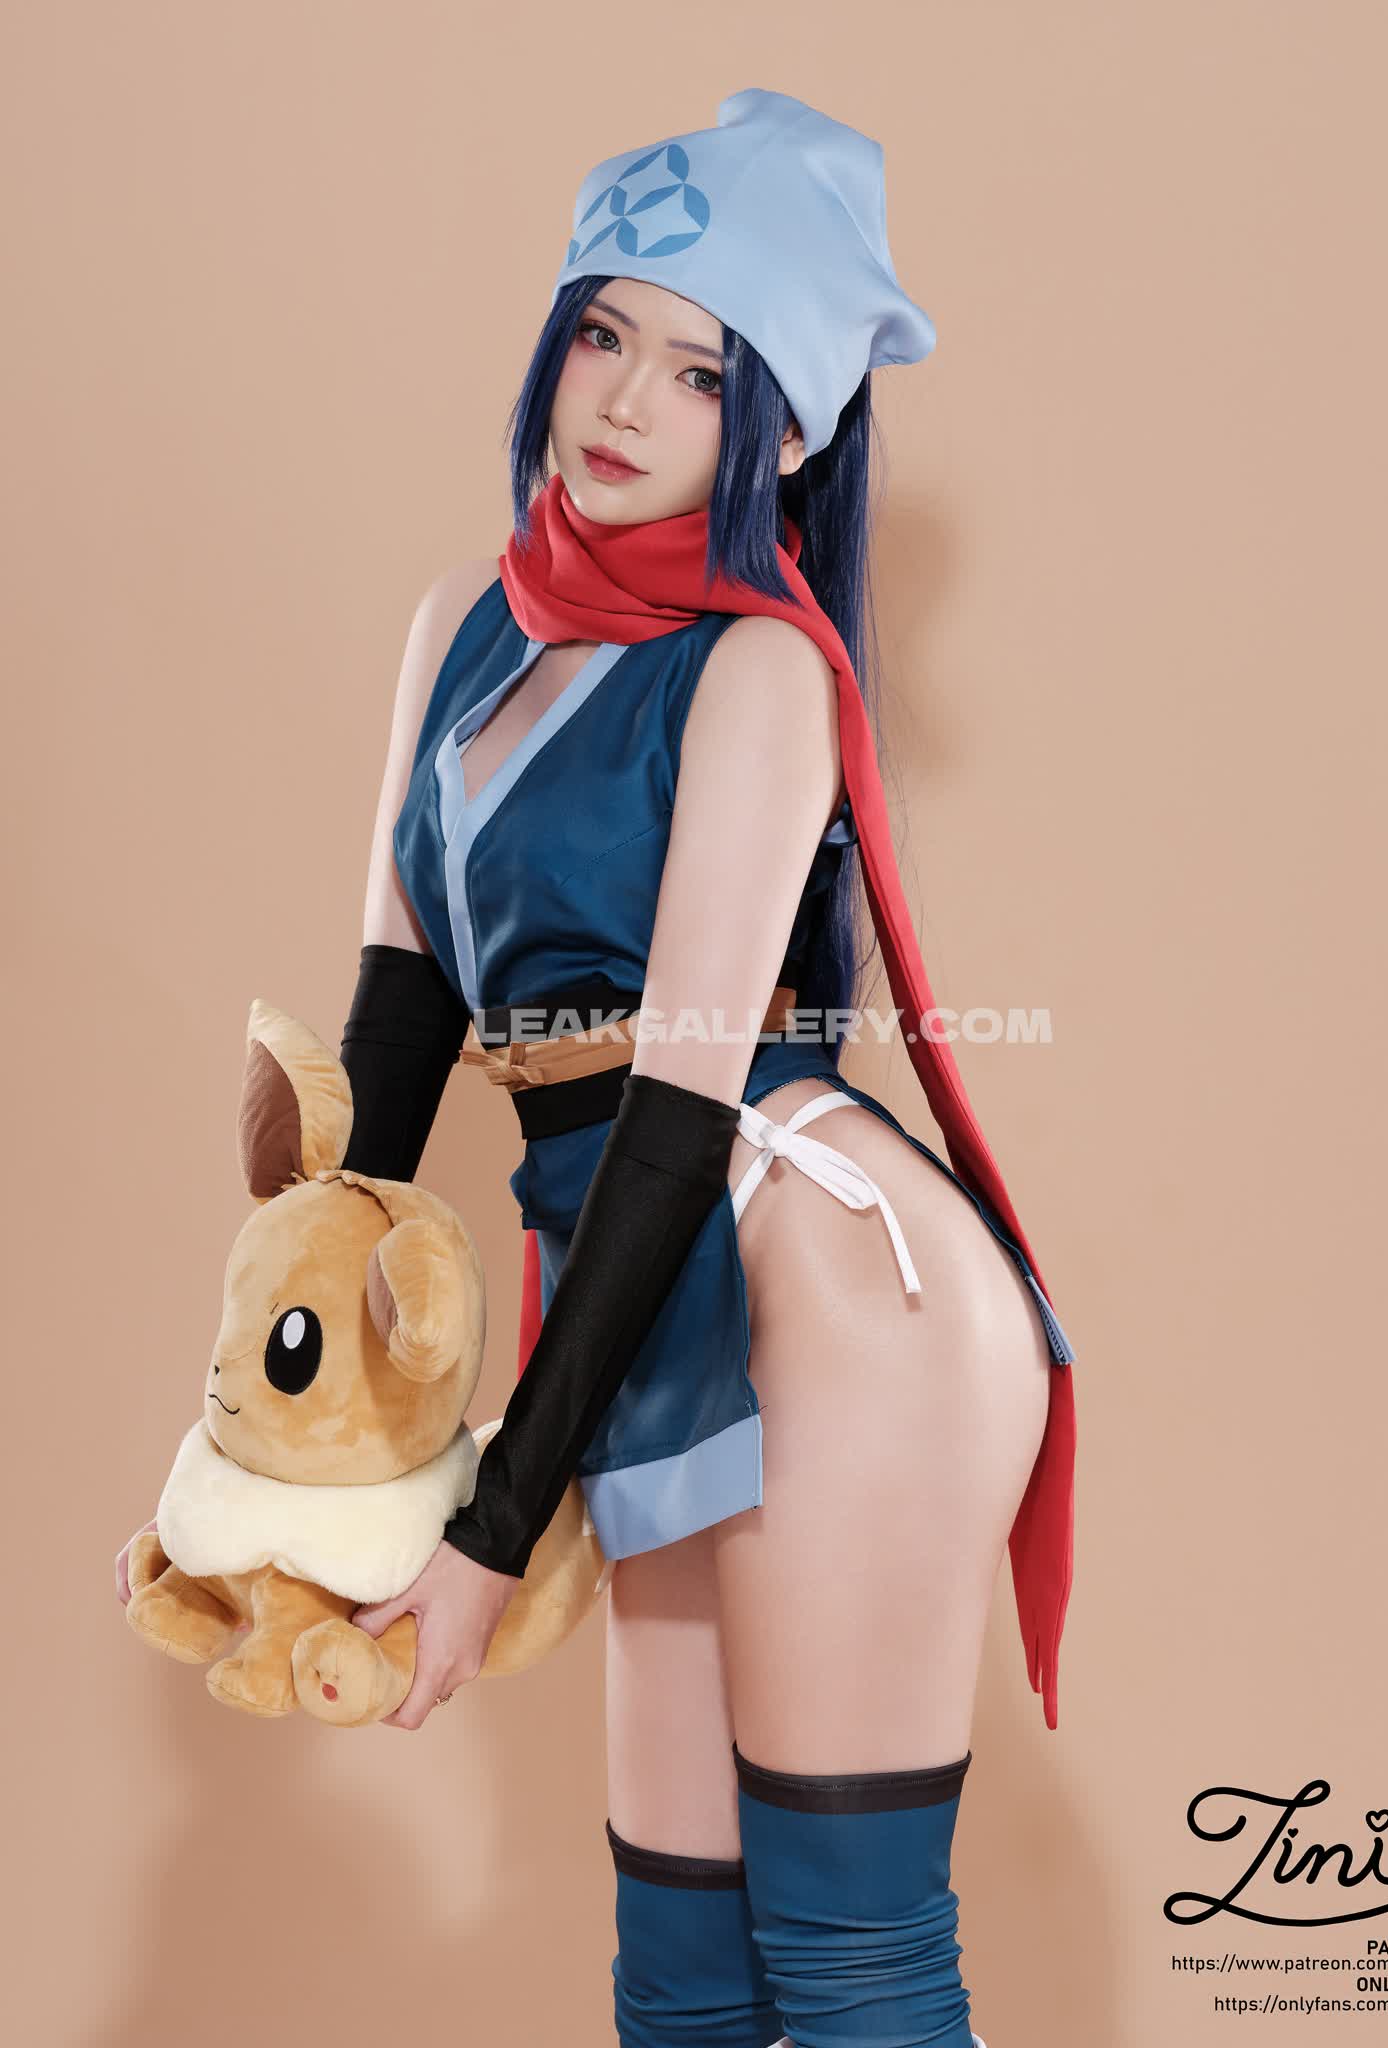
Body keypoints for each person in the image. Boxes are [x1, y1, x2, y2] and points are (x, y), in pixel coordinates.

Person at [118, 87, 1078, 2048]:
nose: (627, 398)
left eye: (704, 372)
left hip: (821, 1287)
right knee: (683, 1991)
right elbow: (395, 1052)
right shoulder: (460, 628)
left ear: (786, 435)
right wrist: (269, 1458)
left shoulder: (762, 669)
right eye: (603, 332)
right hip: (641, 1284)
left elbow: (672, 1117)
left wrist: (488, 1538)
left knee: (854, 1968)